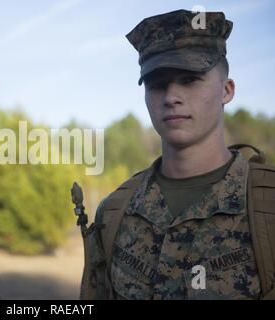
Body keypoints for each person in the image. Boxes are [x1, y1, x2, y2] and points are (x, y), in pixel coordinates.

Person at [80, 9, 275, 300]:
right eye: (157, 84)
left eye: (190, 79)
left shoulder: (267, 205)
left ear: (227, 90)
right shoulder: (114, 212)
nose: (171, 97)